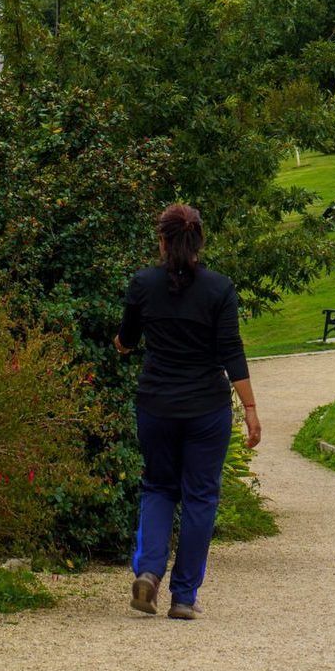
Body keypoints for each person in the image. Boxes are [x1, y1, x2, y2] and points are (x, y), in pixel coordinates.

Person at [115, 203, 261, 620]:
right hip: (206, 410)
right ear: (199, 242)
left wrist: (122, 344)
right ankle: (183, 596)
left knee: (159, 487)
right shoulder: (219, 289)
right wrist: (250, 408)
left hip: (157, 405)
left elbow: (127, 337)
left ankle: (148, 572)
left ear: (161, 241)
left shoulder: (143, 283)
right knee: (200, 497)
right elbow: (231, 351)